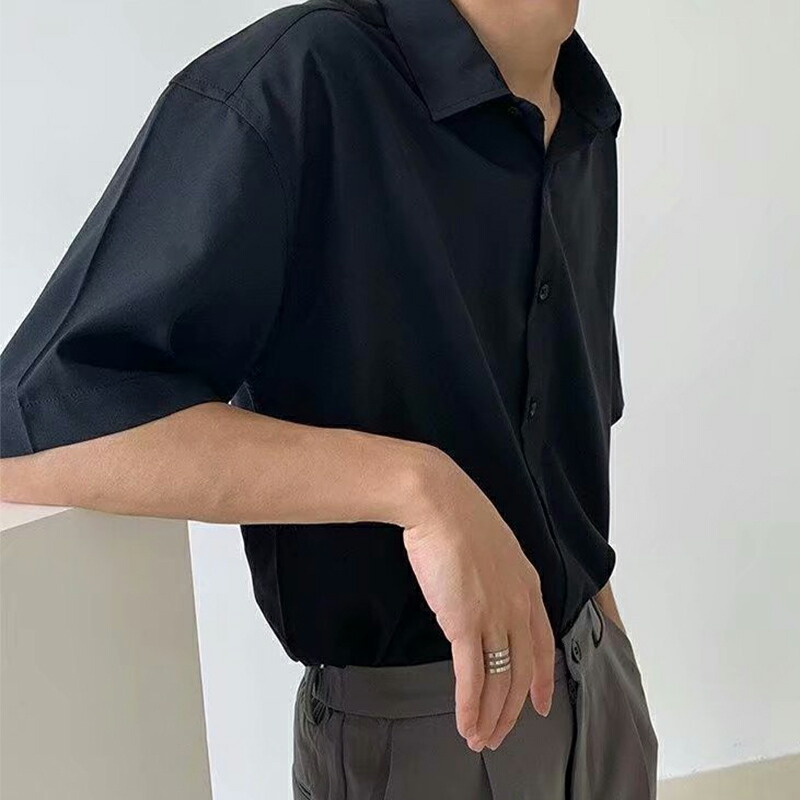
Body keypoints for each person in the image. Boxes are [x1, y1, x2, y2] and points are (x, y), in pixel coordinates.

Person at [0, 0, 658, 796]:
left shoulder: (583, 112)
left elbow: (568, 443)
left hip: (599, 696)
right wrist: (419, 488)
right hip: (431, 739)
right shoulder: (301, 82)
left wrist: (611, 653)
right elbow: (37, 428)